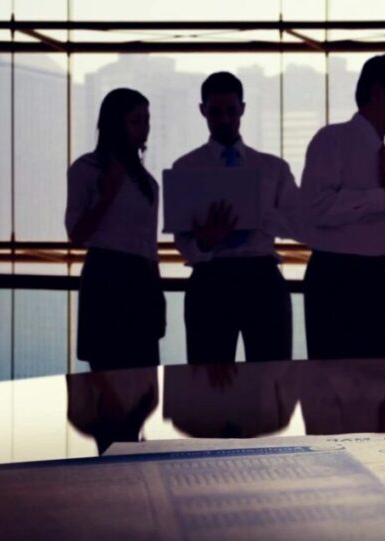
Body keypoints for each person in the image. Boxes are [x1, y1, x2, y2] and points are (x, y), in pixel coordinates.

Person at [298, 54, 385, 360]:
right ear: (377, 94)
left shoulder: (375, 146)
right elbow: (316, 208)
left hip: (377, 283)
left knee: (380, 386)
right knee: (335, 389)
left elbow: (349, 221)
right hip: (341, 283)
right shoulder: (332, 139)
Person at [170, 71, 301, 364]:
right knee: (208, 385)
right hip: (211, 278)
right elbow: (182, 240)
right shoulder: (184, 169)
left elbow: (299, 224)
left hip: (262, 277)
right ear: (202, 110)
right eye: (216, 112)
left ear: (243, 108)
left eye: (231, 111)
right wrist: (204, 242)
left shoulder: (274, 169)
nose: (225, 119)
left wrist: (262, 216)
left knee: (271, 380)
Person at [65, 87, 164, 372]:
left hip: (142, 278)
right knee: (107, 379)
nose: (144, 128)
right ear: (115, 123)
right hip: (106, 276)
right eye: (136, 121)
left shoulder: (147, 181)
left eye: (146, 120)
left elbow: (150, 244)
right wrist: (107, 195)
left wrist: (157, 294)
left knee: (143, 380)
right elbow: (76, 234)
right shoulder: (86, 169)